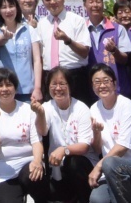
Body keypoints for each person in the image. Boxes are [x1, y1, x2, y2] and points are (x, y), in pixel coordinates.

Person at [87, 69, 131, 203]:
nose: (102, 85)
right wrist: (96, 133)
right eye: (97, 82)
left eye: (106, 81)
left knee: (110, 162)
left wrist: (99, 166)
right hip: (111, 172)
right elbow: (98, 150)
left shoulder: (126, 105)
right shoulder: (94, 109)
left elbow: (122, 148)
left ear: (115, 83)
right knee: (97, 199)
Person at [0, 68, 46, 203]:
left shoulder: (27, 109)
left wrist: (37, 161)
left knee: (34, 176)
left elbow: (36, 141)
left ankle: (32, 195)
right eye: (0, 85)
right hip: (4, 172)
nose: (4, 89)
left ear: (16, 88)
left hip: (28, 164)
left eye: (9, 84)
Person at [32, 66, 93, 203]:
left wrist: (64, 150)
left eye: (62, 84)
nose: (58, 88)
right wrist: (40, 113)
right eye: (53, 84)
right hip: (58, 165)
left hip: (81, 163)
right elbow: (42, 131)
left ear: (70, 86)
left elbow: (85, 146)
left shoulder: (81, 108)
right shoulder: (47, 107)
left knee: (73, 162)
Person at [34, 0, 91, 104]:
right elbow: (40, 57)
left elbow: (85, 52)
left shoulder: (77, 20)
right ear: (43, 2)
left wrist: (68, 40)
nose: (52, 2)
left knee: (78, 115)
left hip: (74, 75)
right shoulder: (42, 24)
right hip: (50, 76)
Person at [0, 0, 41, 104]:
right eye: (4, 7)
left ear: (17, 7)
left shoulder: (29, 29)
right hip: (4, 91)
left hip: (28, 92)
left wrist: (37, 88)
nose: (8, 10)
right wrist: (5, 36)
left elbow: (37, 60)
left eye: (11, 6)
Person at [83, 0, 128, 102]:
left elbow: (125, 59)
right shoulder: (80, 29)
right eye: (91, 2)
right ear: (84, 5)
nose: (95, 5)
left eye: (98, 1)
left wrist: (114, 50)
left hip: (116, 91)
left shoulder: (117, 28)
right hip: (89, 92)